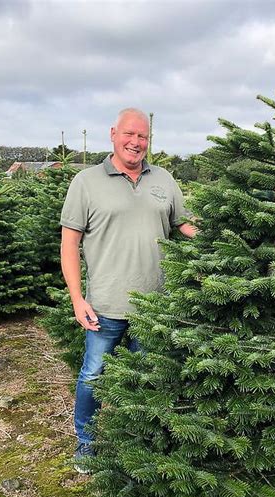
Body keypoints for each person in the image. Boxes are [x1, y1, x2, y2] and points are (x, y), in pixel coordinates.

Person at [60, 108, 196, 472]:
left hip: (154, 305)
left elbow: (182, 225)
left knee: (150, 378)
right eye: (130, 134)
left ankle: (143, 441)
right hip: (104, 306)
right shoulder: (86, 182)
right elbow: (69, 244)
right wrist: (77, 298)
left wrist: (227, 237)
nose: (136, 143)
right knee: (93, 376)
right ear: (113, 134)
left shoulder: (164, 179)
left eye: (143, 137)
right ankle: (86, 442)